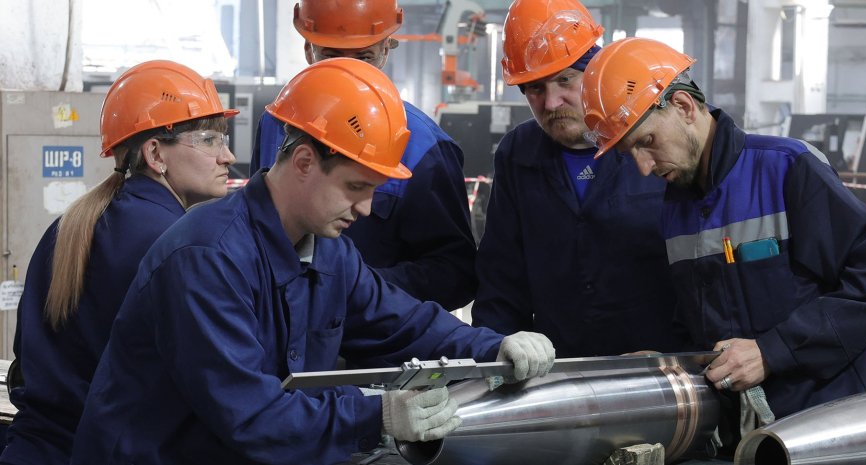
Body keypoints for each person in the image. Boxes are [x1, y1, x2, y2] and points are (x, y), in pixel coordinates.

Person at [70, 58, 554, 465]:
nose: (365, 209)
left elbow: (405, 325)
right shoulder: (207, 258)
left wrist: (496, 347)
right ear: (303, 162)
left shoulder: (330, 252)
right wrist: (379, 416)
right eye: (356, 187)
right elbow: (252, 416)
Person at [581, 37, 866, 459]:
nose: (643, 167)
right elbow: (704, 327)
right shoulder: (677, 207)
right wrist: (672, 360)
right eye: (631, 155)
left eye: (645, 142)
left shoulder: (787, 168)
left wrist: (772, 352)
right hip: (747, 442)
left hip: (828, 431)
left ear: (683, 107)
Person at [0, 60, 238, 465]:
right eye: (209, 139)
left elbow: (27, 357)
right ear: (155, 153)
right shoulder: (176, 245)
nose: (228, 156)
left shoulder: (69, 226)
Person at [472, 0, 681, 358]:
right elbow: (501, 278)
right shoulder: (518, 154)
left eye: (565, 79)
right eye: (535, 88)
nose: (551, 102)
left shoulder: (655, 138)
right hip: (560, 369)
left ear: (595, 70)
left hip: (663, 365)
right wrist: (495, 359)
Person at [249, 0, 476, 310]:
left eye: (363, 57)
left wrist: (349, 291)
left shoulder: (424, 147)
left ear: (386, 49)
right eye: (331, 56)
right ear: (307, 50)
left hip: (373, 347)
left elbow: (455, 274)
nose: (348, 73)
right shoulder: (276, 122)